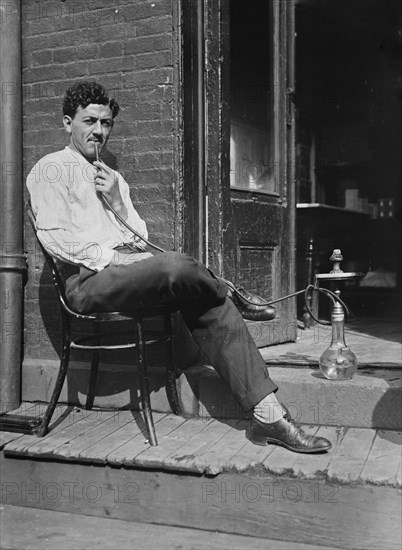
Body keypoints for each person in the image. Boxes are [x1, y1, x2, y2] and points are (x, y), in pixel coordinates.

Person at [27, 81, 331, 454]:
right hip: (85, 281)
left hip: (127, 273)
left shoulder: (112, 177)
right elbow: (55, 239)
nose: (99, 131)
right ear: (67, 122)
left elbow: (138, 236)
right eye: (89, 121)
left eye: (105, 123)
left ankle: (269, 416)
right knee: (176, 267)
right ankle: (229, 288)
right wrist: (115, 258)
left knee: (206, 300)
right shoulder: (50, 170)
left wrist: (117, 202)